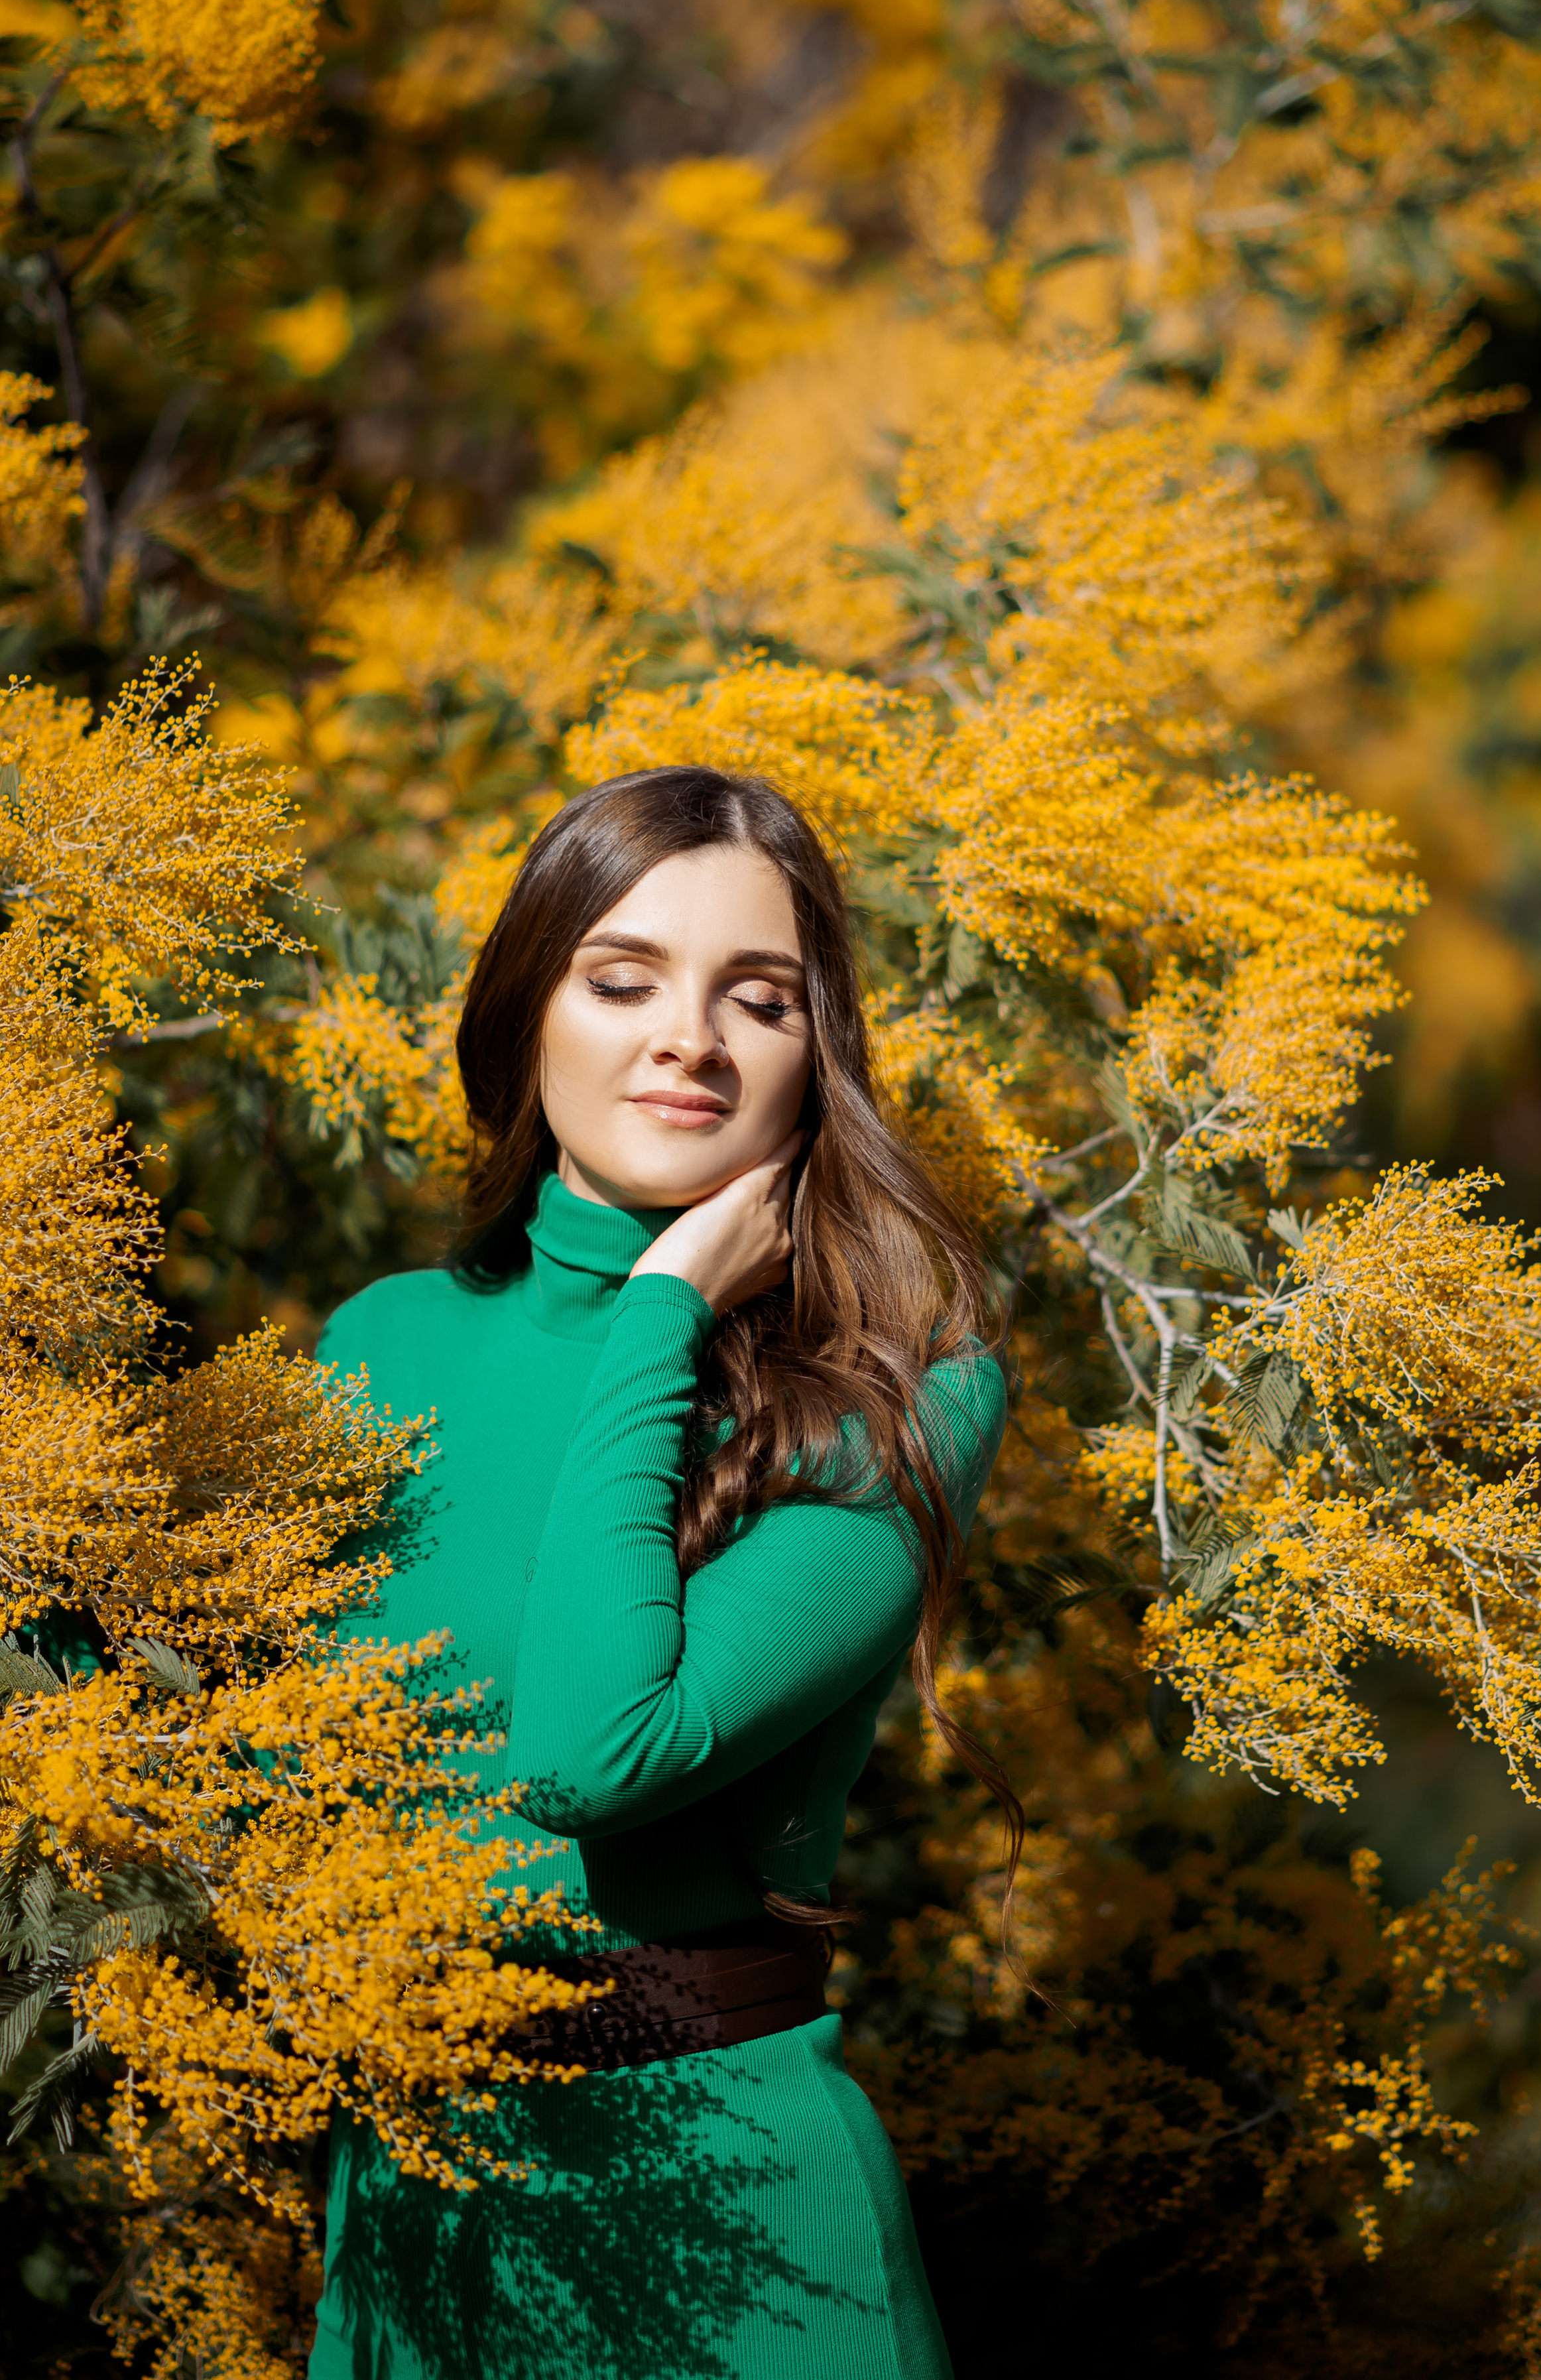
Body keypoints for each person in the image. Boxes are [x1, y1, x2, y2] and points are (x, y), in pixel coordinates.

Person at [307, 766, 1010, 2380]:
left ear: (810, 1059)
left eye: (755, 1000)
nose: (685, 1037)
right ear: (527, 1013)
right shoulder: (381, 1345)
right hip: (418, 2207)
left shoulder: (902, 1393)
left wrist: (662, 1311)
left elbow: (589, 1753)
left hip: (734, 2226)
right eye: (620, 981)